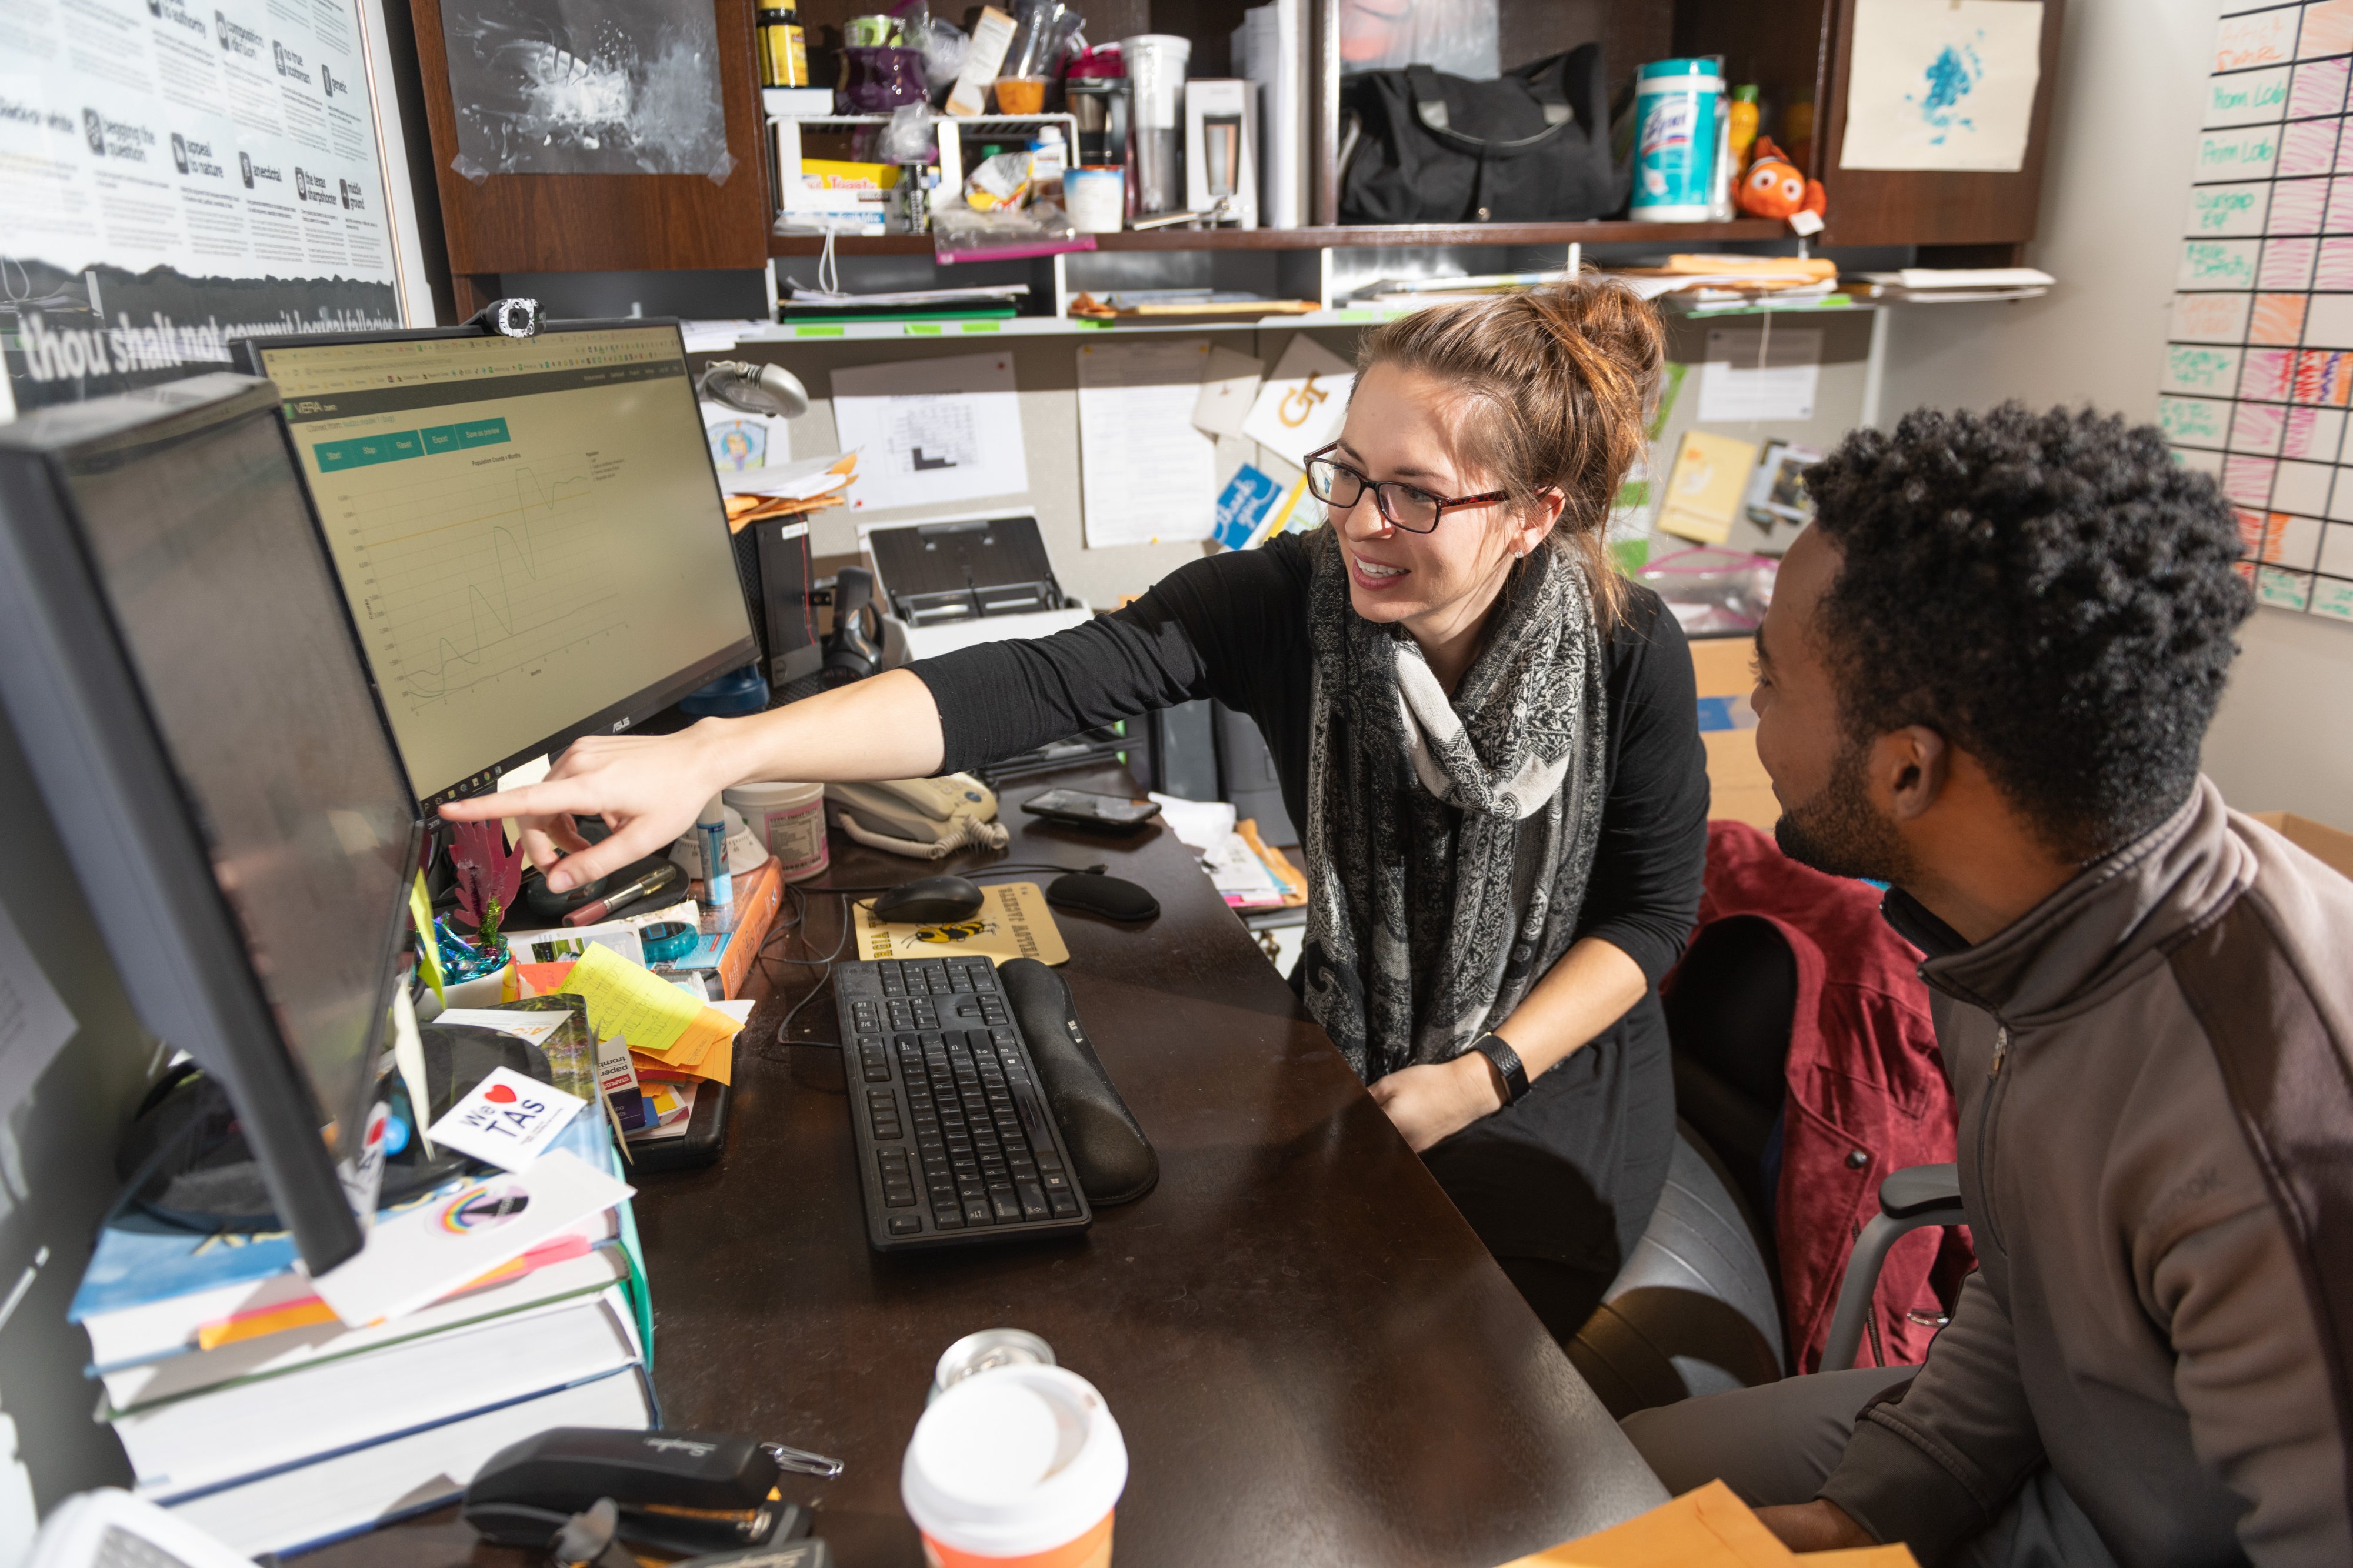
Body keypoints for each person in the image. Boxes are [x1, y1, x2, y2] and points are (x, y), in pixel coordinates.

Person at [444, 282, 1711, 1337]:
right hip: (1353, 1034)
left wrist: (1477, 1077)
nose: (1362, 525)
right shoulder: (1289, 598)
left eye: (1415, 494)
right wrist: (714, 753)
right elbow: (1034, 680)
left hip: (1546, 1079)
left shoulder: (1624, 648)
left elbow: (1649, 919)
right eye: (1347, 472)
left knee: (1413, 1365)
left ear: (1535, 516)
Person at [1621, 405, 2353, 1567]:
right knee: (1591, 1481)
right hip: (2050, 1451)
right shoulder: (1998, 920)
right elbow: (2026, 1290)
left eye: (1767, 681)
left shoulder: (2265, 1134)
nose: (1750, 713)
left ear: (1907, 768)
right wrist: (1872, 1508)